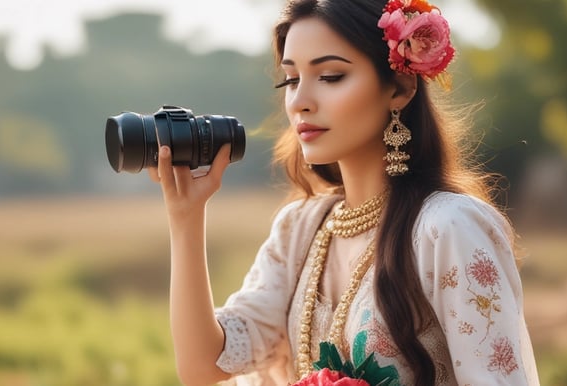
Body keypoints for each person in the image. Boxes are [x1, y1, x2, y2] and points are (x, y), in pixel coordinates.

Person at [148, 0, 540, 385]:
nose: (300, 102)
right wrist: (186, 218)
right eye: (291, 79)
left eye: (331, 76)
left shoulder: (446, 227)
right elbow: (203, 368)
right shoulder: (300, 229)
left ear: (400, 88)